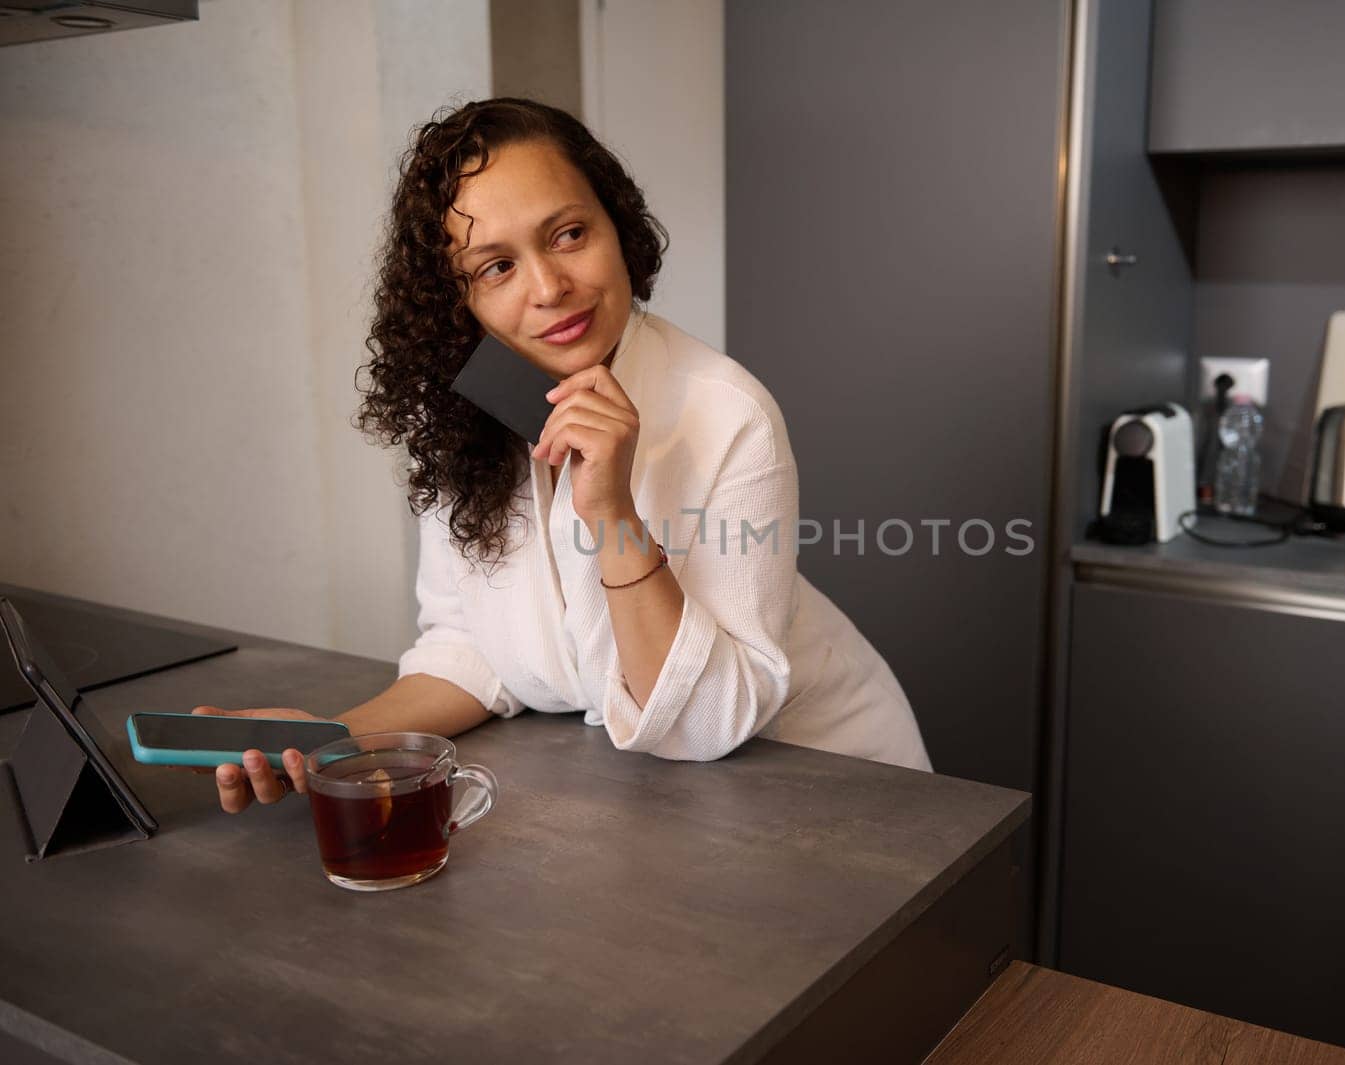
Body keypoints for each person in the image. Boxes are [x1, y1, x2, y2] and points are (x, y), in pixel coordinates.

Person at [197, 98, 931, 813]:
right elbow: (473, 652)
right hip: (675, 811)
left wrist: (611, 509)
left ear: (618, 226)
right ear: (458, 303)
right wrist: (322, 744)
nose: (551, 288)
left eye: (569, 234)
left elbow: (706, 719)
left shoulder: (727, 413)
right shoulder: (469, 419)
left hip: (835, 788)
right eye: (496, 267)